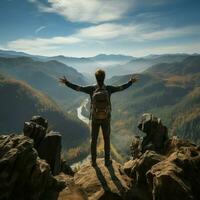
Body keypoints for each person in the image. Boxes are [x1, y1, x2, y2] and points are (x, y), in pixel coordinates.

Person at [59, 69, 138, 166]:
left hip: (95, 118)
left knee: (94, 139)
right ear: (104, 78)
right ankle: (107, 160)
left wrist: (67, 83)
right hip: (106, 118)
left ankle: (93, 161)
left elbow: (78, 88)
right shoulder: (108, 89)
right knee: (106, 139)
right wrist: (130, 82)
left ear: (96, 78)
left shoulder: (91, 89)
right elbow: (121, 88)